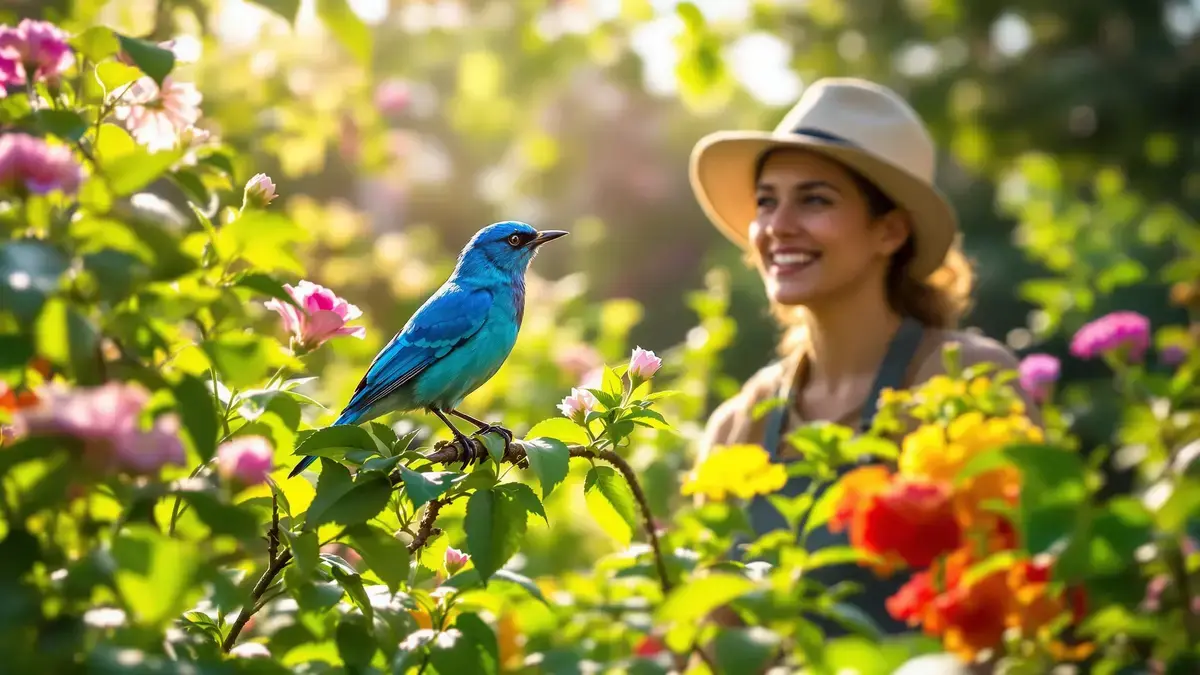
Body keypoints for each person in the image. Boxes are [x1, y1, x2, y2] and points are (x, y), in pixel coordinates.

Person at [686, 78, 1041, 672]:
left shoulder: (967, 385)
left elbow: (1019, 608)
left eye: (815, 199)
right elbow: (706, 648)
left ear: (890, 231)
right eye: (767, 200)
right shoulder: (739, 425)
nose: (778, 225)